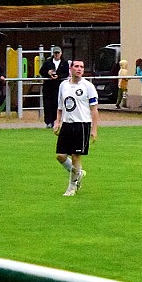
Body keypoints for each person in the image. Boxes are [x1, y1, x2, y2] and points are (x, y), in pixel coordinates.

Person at [53, 60, 99, 196]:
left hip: (82, 124)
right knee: (60, 156)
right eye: (76, 66)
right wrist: (57, 122)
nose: (79, 69)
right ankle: (78, 173)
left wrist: (94, 129)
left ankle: (72, 187)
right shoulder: (63, 85)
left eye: (82, 67)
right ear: (71, 68)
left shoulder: (88, 86)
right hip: (67, 124)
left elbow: (94, 109)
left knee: (75, 156)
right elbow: (60, 106)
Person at [40, 47, 69, 128]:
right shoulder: (48, 62)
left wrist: (58, 76)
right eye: (55, 53)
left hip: (59, 86)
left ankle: (56, 121)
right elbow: (41, 71)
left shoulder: (64, 63)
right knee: (47, 104)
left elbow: (66, 73)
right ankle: (48, 122)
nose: (56, 55)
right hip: (48, 87)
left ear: (61, 53)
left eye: (58, 53)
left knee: (56, 104)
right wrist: (48, 73)